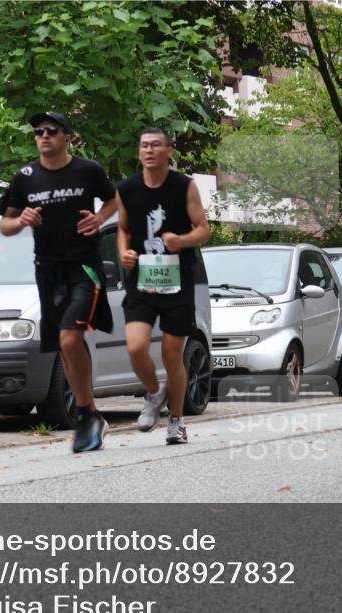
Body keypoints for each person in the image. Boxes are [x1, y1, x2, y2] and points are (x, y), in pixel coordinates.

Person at [0, 111, 117, 452]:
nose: (44, 135)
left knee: (69, 338)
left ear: (67, 137)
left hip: (85, 267)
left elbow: (113, 199)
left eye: (52, 130)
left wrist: (99, 219)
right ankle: (92, 413)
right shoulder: (24, 178)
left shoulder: (87, 170)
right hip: (48, 270)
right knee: (67, 342)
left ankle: (83, 413)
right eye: (38, 131)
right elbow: (5, 224)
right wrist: (21, 220)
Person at [117, 128, 211, 444]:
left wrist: (181, 240)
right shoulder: (127, 189)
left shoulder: (185, 186)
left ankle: (177, 420)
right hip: (141, 281)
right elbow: (122, 229)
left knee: (172, 355)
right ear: (139, 151)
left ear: (169, 151)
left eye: (156, 145)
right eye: (144, 145)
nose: (149, 150)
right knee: (135, 346)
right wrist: (123, 253)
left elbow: (203, 230)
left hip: (177, 282)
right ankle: (154, 393)